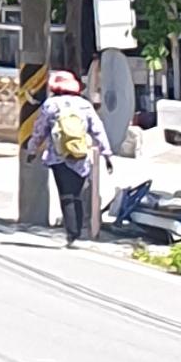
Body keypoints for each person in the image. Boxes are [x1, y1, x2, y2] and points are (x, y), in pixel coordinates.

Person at [25, 65, 113, 242]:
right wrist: (107, 154)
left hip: (58, 157)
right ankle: (78, 227)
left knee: (65, 194)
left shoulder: (51, 105)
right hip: (80, 156)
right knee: (77, 193)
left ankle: (72, 232)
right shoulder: (84, 105)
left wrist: (32, 150)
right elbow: (98, 130)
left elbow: (39, 130)